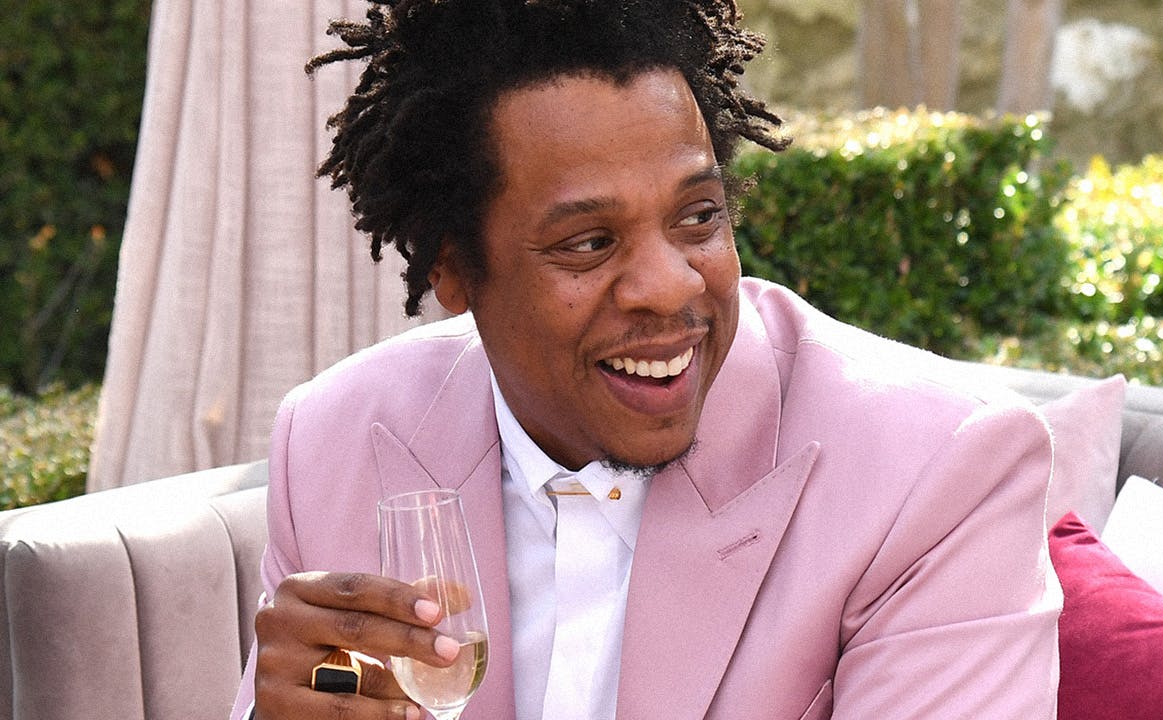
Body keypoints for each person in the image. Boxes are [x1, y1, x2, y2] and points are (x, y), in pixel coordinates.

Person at [230, 2, 1061, 718]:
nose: (670, 287)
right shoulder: (337, 442)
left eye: (698, 217)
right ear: (451, 268)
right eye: (589, 243)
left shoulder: (935, 471)